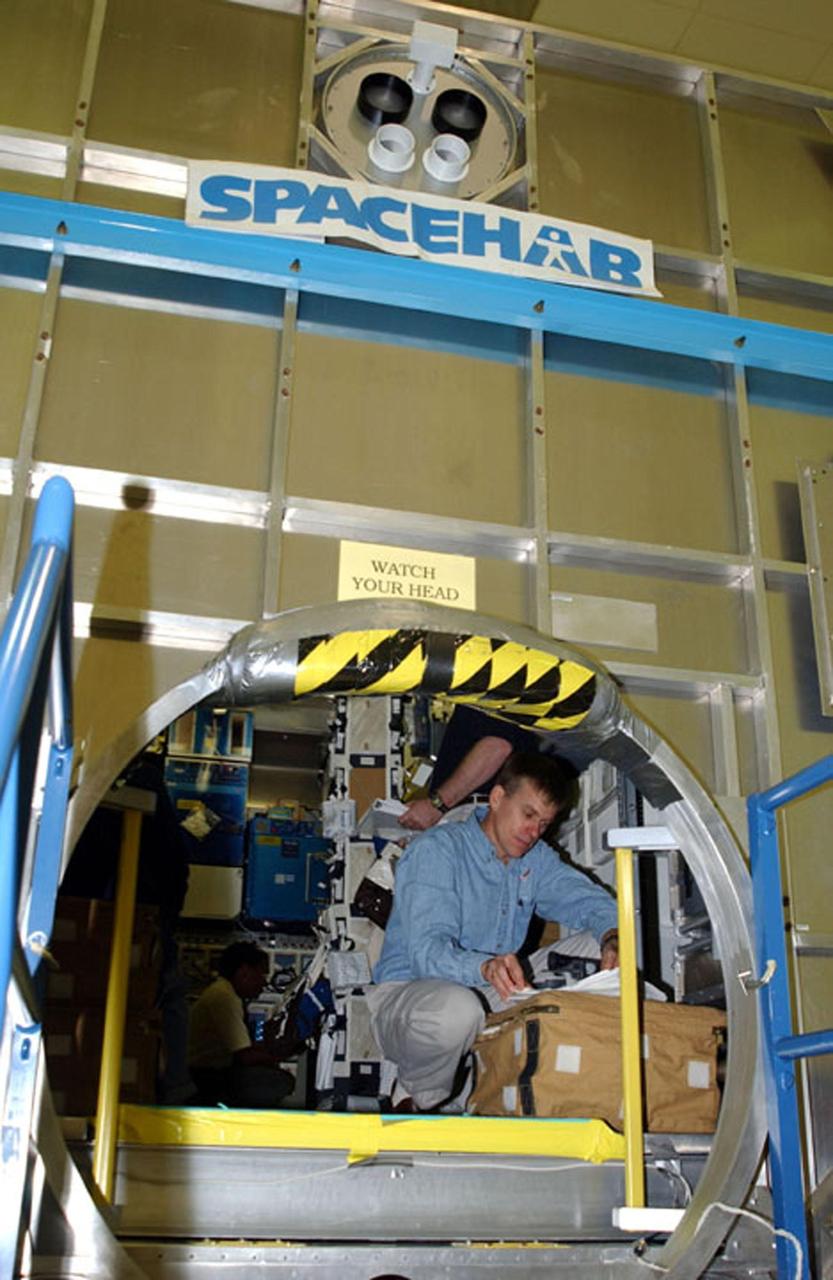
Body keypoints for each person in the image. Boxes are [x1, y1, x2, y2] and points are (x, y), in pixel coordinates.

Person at [368, 752, 619, 1113]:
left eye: (544, 823)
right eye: (528, 814)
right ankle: (421, 1096)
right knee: (458, 1011)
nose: (534, 833)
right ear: (498, 798)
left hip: (493, 990)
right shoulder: (436, 851)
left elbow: (589, 901)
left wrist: (611, 934)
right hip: (412, 998)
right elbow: (427, 953)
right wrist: (484, 968)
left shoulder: (535, 859)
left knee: (610, 952)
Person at [398, 704, 540, 831]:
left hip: (478, 813)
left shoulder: (490, 687)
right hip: (475, 815)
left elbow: (496, 748)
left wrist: (437, 806)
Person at [188, 942, 295, 1108]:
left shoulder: (222, 992)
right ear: (244, 973)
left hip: (204, 1073)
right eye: (261, 975)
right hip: (206, 1076)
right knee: (279, 1081)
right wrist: (279, 1055)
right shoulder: (225, 997)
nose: (263, 983)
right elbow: (244, 1056)